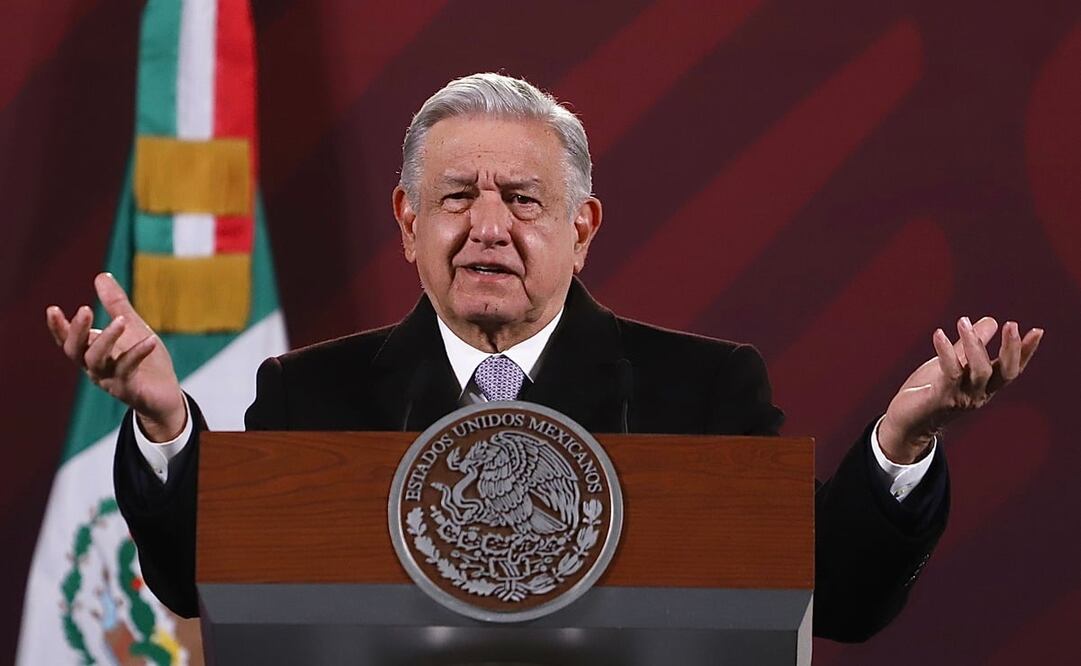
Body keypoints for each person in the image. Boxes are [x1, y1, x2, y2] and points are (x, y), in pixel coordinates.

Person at [47, 73, 1042, 642]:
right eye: (455, 197)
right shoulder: (310, 393)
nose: (487, 226)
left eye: (522, 200)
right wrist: (164, 424)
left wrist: (900, 444)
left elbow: (845, 600)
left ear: (581, 227)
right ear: (407, 222)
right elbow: (198, 585)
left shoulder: (701, 389)